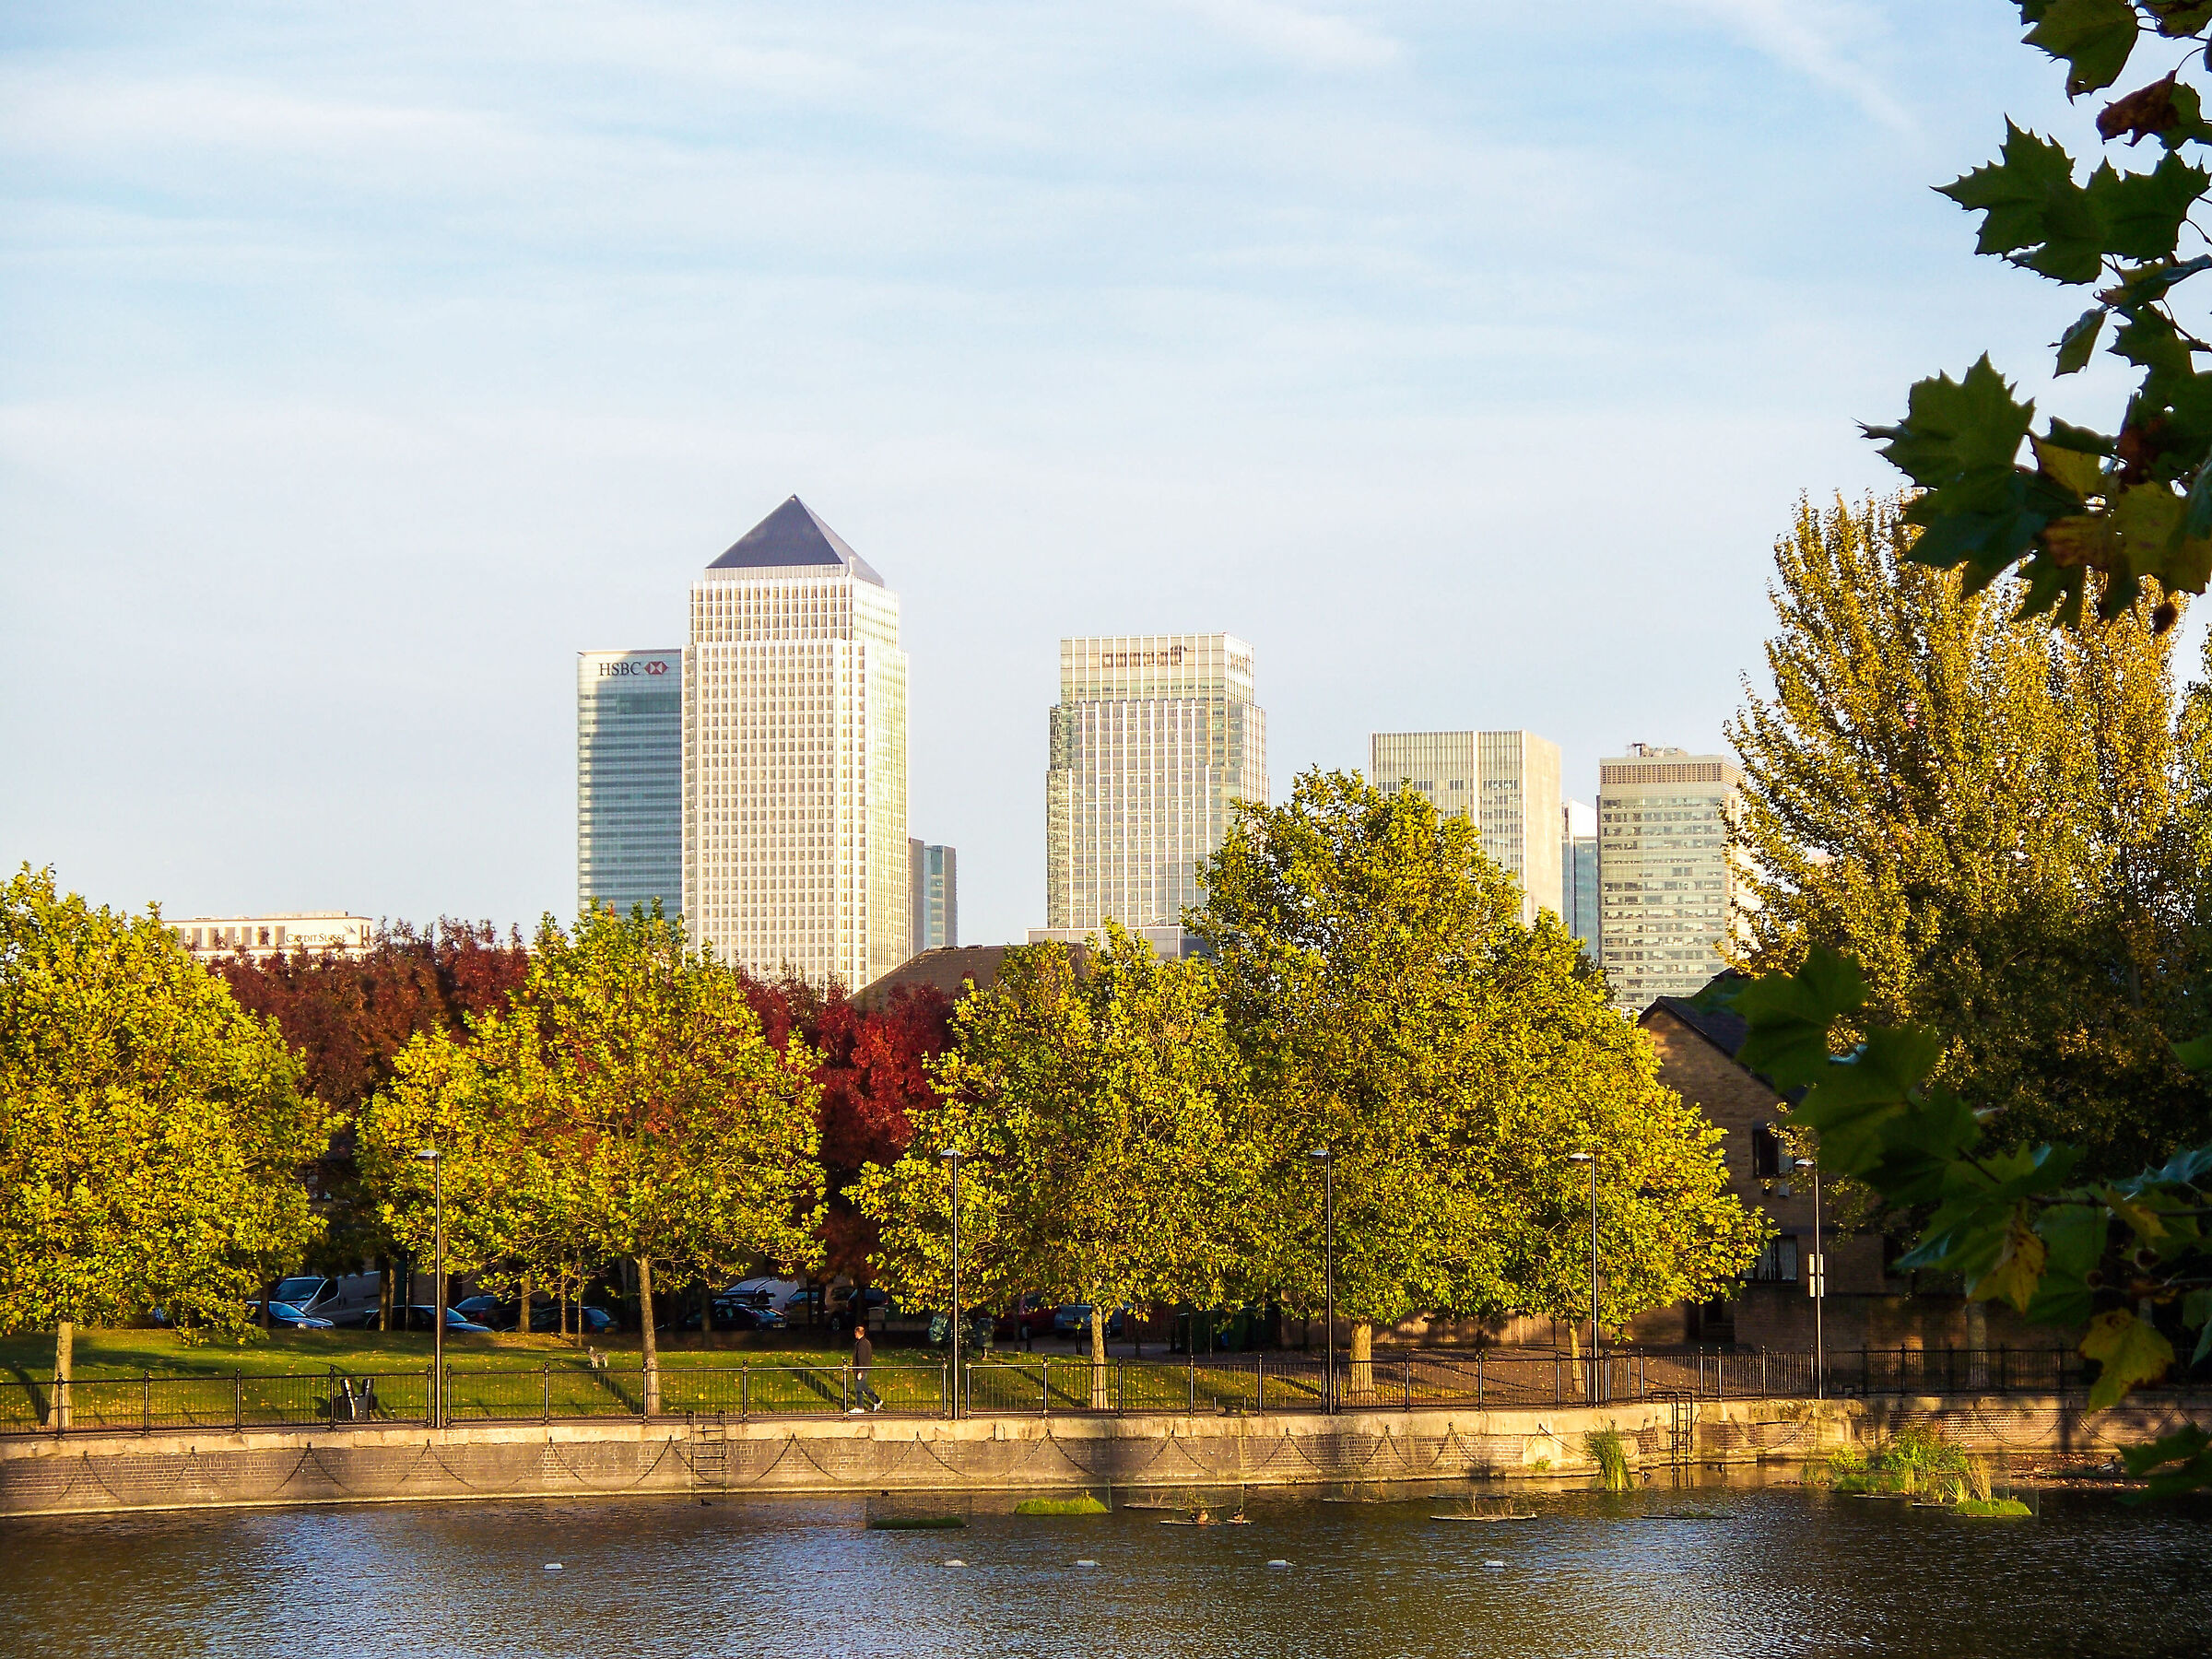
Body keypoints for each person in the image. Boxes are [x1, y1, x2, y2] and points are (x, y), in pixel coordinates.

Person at [854, 1327, 882, 1411]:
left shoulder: (862, 1344)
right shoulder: (865, 1342)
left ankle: (860, 1407)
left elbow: (861, 1358)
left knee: (859, 1387)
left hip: (862, 1369)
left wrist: (860, 1371)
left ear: (858, 1333)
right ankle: (877, 1400)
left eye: (855, 1333)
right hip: (864, 1368)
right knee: (864, 1387)